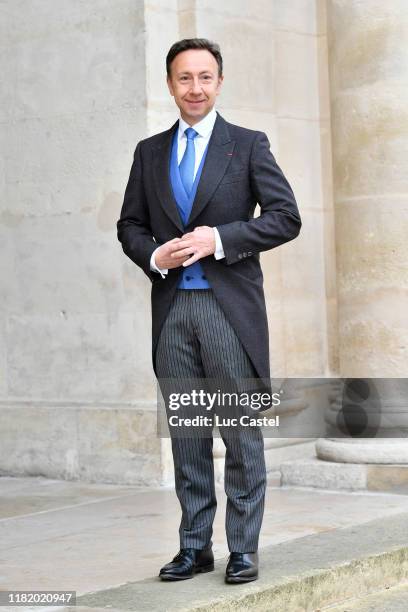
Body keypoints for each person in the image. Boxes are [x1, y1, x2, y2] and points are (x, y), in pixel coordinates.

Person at [117, 38, 302, 584]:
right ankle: (194, 546)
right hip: (173, 309)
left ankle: (242, 548)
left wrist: (219, 238)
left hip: (228, 310)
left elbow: (285, 217)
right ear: (170, 84)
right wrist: (155, 252)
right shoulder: (149, 152)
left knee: (240, 432)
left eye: (204, 77)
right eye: (184, 78)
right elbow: (129, 224)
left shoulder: (246, 144)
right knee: (188, 433)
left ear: (219, 82)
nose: (194, 88)